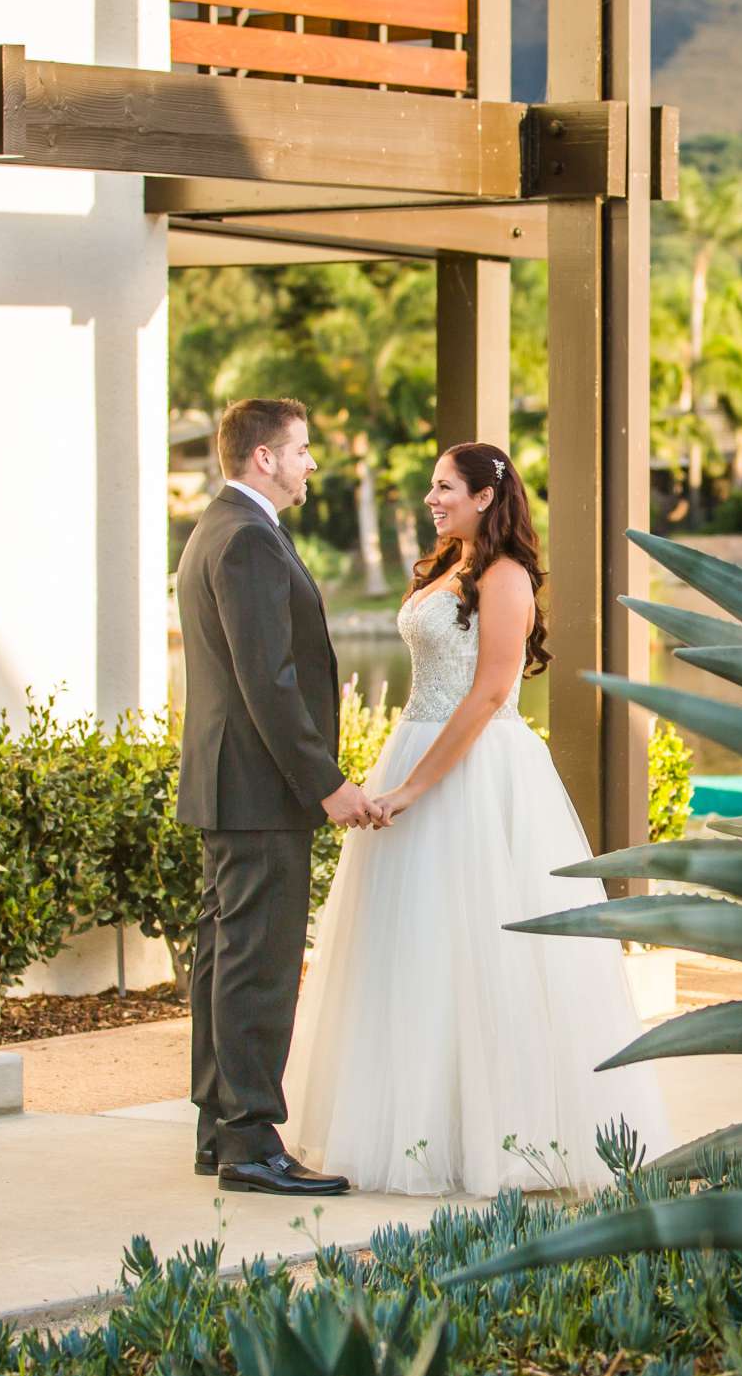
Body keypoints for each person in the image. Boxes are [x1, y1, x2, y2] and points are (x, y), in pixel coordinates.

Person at [283, 442, 671, 1197]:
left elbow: (492, 694)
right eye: (432, 486)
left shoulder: (505, 577)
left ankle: (505, 1139)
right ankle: (419, 1130)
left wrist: (413, 790)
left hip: (475, 774)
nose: (432, 498)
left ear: (487, 496)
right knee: (414, 950)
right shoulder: (445, 568)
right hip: (414, 749)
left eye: (445, 487)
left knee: (488, 952)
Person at [174, 398, 384, 1198]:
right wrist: (325, 783)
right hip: (259, 788)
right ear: (265, 457)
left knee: (224, 956)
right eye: (301, 451)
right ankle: (252, 1142)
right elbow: (270, 681)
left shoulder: (220, 530)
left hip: (233, 785)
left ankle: (218, 1129)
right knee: (256, 964)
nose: (309, 465)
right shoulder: (250, 540)